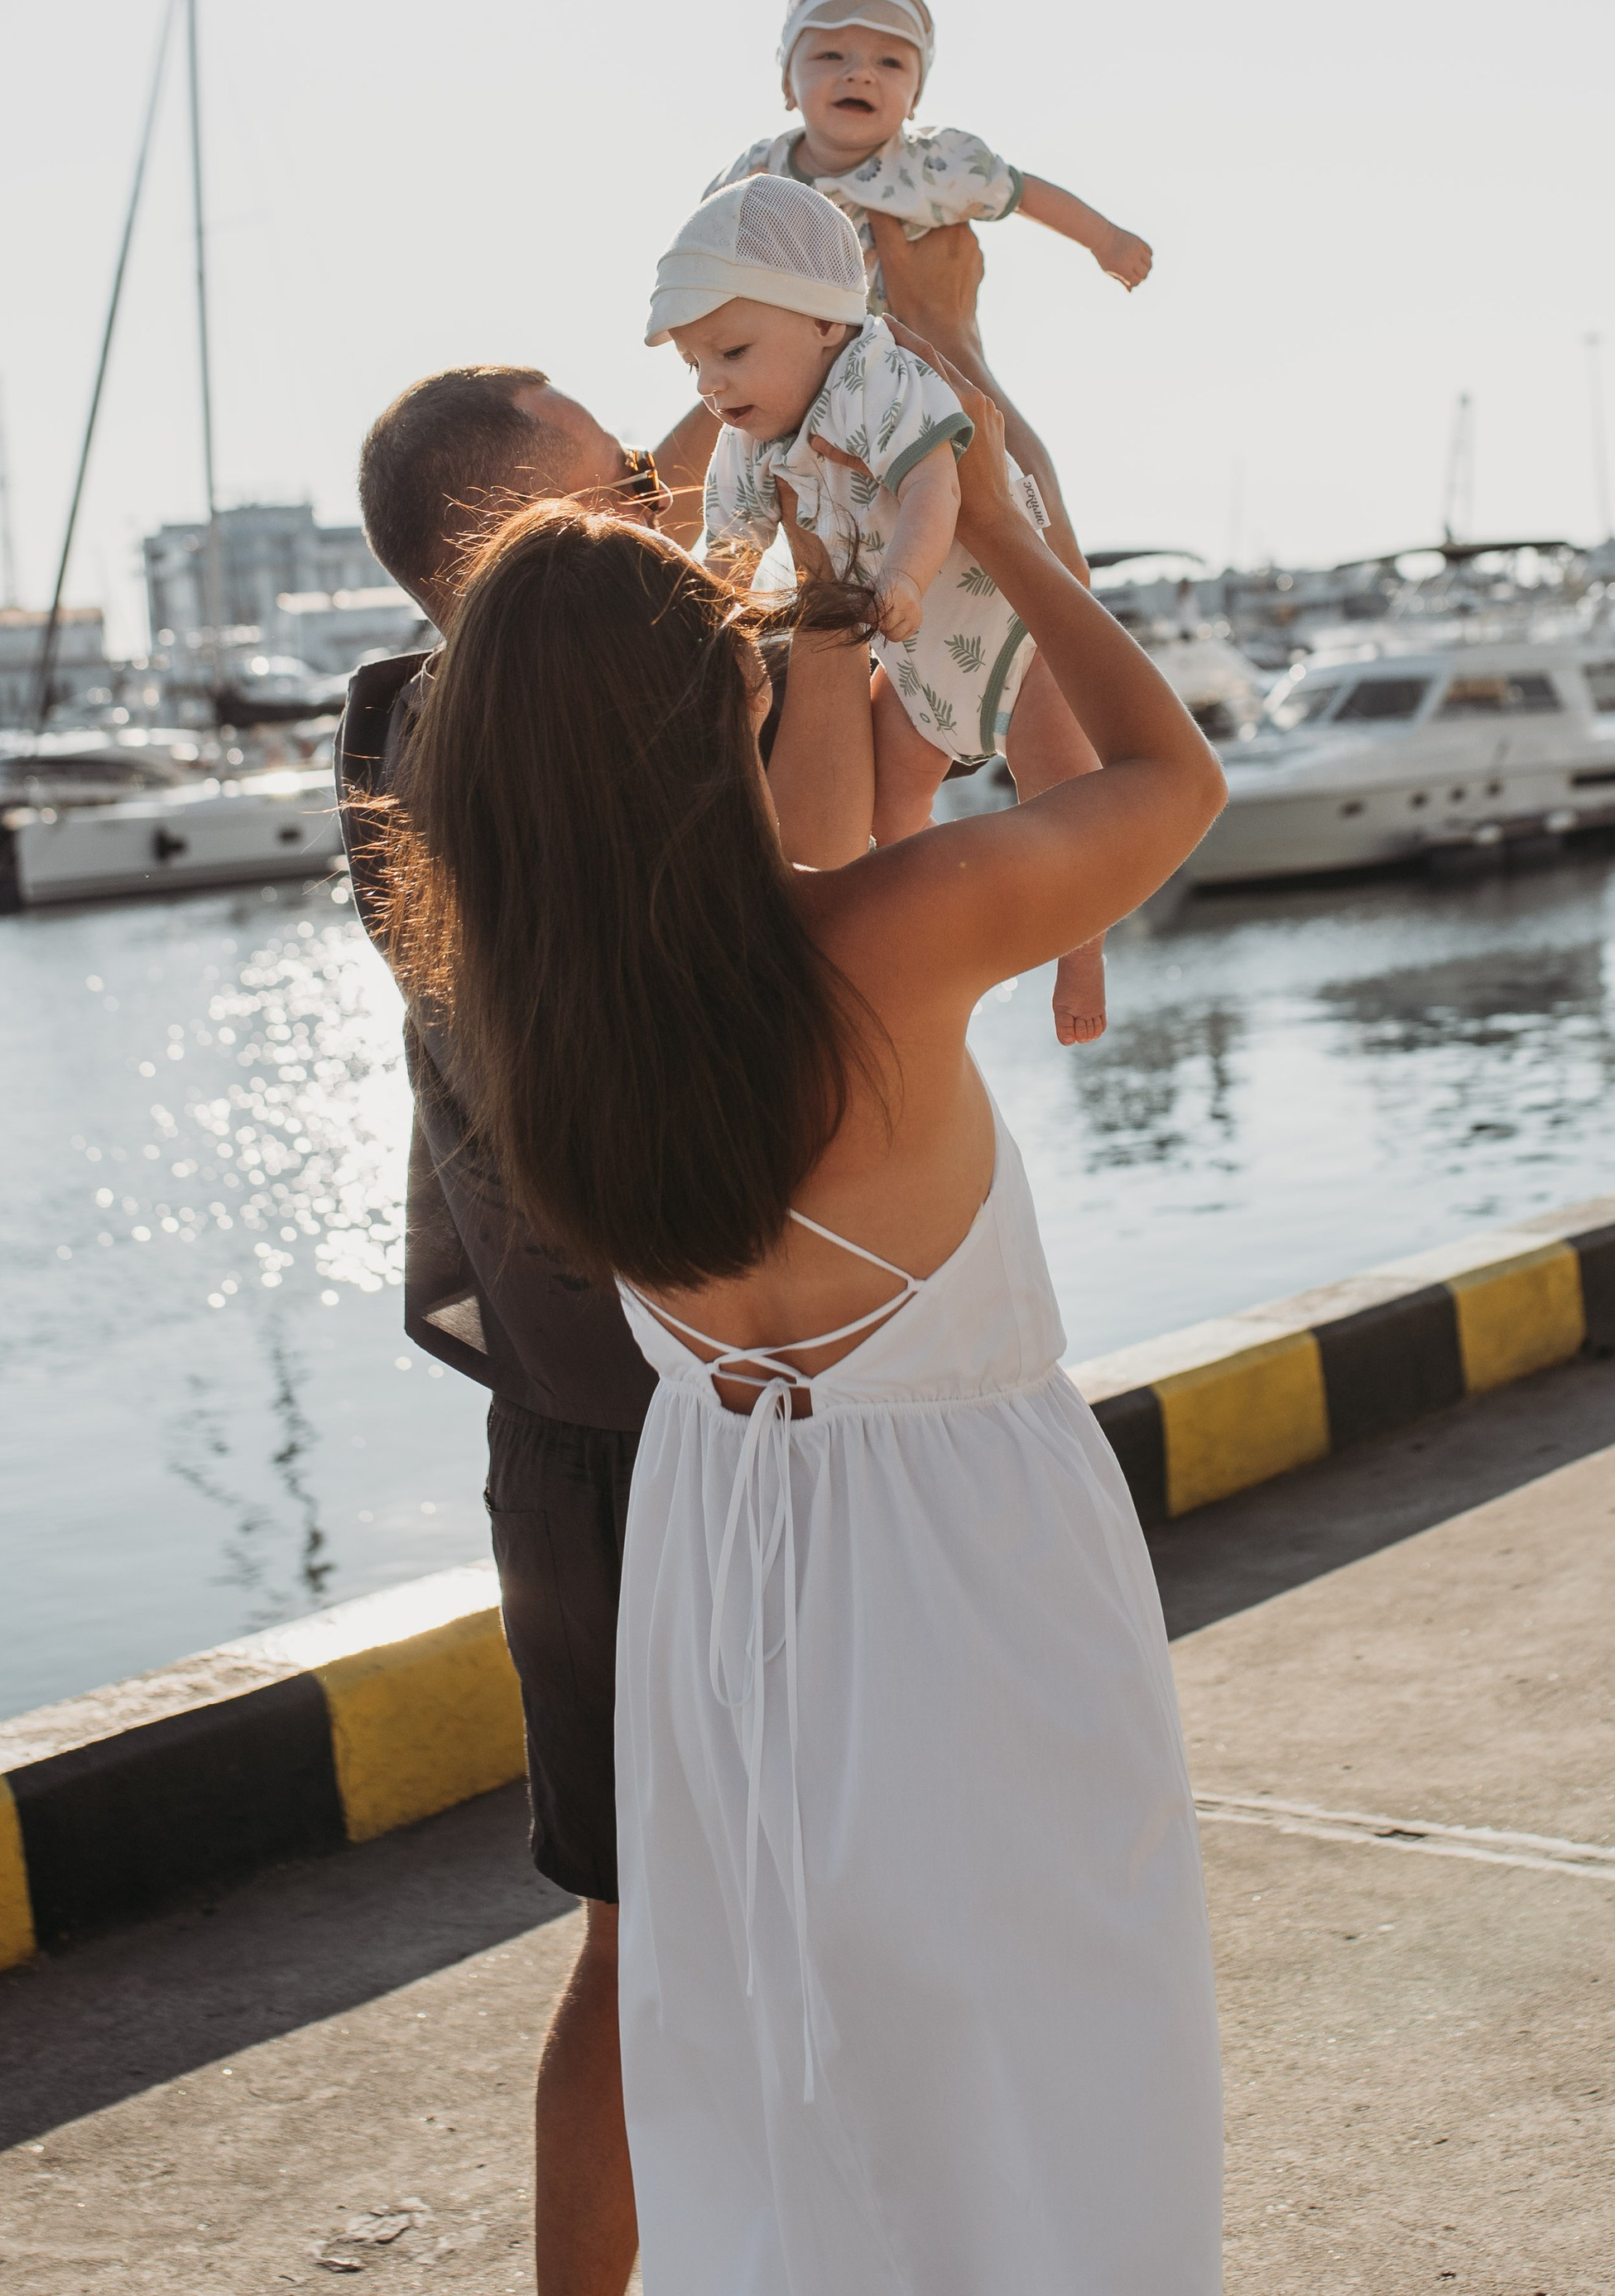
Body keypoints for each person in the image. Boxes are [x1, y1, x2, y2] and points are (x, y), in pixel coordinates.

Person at [382, 374, 1228, 2295]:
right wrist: (999, 525)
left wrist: (788, 601)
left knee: (781, 2054)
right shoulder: (886, 935)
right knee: (1042, 2050)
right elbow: (1170, 783)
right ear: (727, 704)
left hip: (719, 1553)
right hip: (962, 1566)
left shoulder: (526, 1018)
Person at [339, 360, 876, 2296]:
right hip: (673, 1437)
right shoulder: (525, 755)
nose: (661, 501)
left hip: (580, 1441)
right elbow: (817, 882)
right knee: (700, 1936)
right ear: (518, 546)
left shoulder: (407, 739)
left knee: (663, 1934)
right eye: (623, 486)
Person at [649, 172, 1113, 1041]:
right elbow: (729, 556)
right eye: (695, 364)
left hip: (1007, 624)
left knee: (1061, 792)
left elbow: (937, 484)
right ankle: (930, 942)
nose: (711, 383)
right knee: (890, 806)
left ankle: (1079, 949)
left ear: (826, 321)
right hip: (916, 660)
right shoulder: (746, 438)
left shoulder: (878, 374)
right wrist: (706, 629)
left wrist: (900, 578)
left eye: (732, 352)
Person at [710, 0, 1155, 578]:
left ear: (916, 95)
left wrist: (1104, 238)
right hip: (800, 377)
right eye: (831, 53)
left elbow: (1021, 191)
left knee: (979, 469)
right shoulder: (758, 174)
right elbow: (704, 248)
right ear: (788, 82)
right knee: (752, 482)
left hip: (906, 364)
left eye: (890, 63)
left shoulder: (930, 165)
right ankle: (727, 583)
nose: (859, 71)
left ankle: (1051, 574)